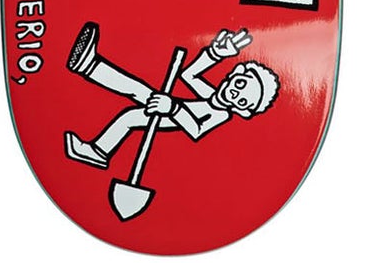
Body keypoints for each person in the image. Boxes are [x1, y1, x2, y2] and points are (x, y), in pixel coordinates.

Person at [62, 23, 279, 168]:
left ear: (243, 110)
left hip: (172, 116)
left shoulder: (221, 114)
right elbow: (188, 75)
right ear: (234, 73)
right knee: (137, 89)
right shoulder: (212, 95)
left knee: (129, 117)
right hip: (170, 107)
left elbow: (196, 130)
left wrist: (173, 109)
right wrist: (214, 54)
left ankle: (98, 152)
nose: (234, 92)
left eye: (242, 100)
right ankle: (89, 65)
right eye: (240, 84)